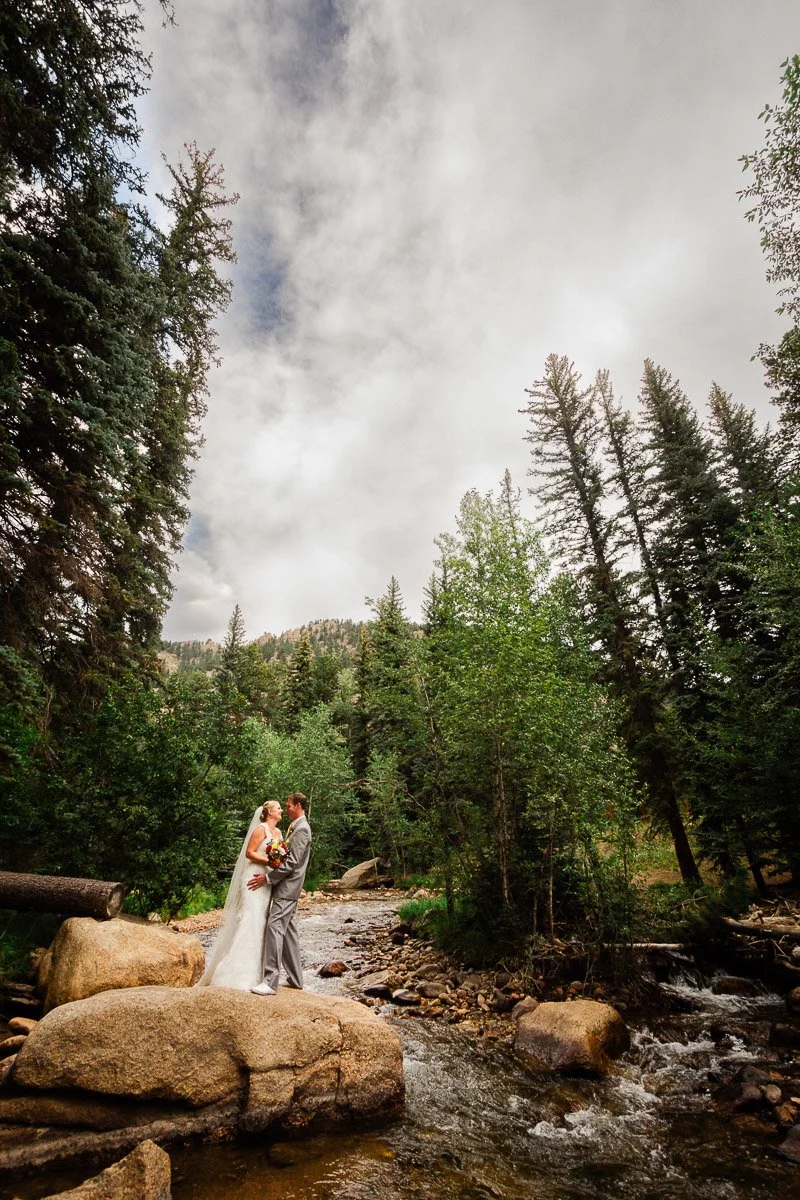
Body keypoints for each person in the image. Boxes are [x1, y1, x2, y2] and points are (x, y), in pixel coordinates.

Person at [197, 800, 284, 990]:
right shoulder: (260, 830)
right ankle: (235, 975)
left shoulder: (278, 833)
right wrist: (270, 860)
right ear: (269, 812)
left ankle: (258, 974)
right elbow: (250, 853)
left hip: (266, 880)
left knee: (261, 923)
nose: (281, 810)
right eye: (278, 808)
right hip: (253, 877)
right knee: (249, 920)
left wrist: (275, 865)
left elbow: (280, 856)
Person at [249, 792, 312, 996]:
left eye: (289, 805)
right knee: (288, 930)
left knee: (274, 927)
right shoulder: (296, 827)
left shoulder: (302, 829)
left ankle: (270, 981)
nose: (286, 809)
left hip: (288, 887)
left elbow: (292, 863)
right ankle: (295, 979)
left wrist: (268, 878)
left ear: (298, 806)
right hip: (288, 887)